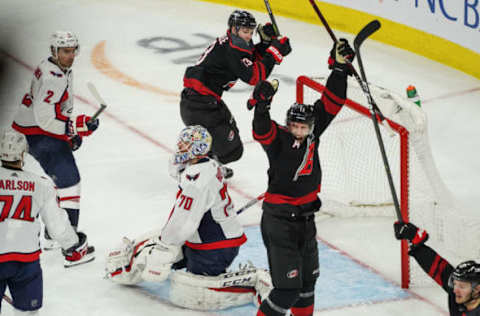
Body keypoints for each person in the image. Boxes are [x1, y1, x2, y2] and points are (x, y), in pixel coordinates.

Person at [105, 125, 271, 310]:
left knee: (188, 292)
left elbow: (185, 220)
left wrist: (165, 244)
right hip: (203, 240)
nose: (180, 148)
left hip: (215, 248)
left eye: (185, 145)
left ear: (197, 149)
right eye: (181, 143)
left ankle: (253, 281)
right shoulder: (203, 165)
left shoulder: (197, 180)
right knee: (148, 248)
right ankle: (126, 267)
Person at [249, 39, 355, 316]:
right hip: (279, 221)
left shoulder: (313, 133)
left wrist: (340, 69)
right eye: (294, 125)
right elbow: (261, 131)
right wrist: (262, 105)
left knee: (307, 285)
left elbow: (333, 101)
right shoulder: (279, 140)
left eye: (303, 126)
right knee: (287, 290)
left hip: (305, 221)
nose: (298, 130)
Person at [11, 31, 99, 251]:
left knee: (60, 182)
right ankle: (68, 242)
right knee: (69, 181)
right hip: (37, 134)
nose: (70, 55)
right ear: (54, 51)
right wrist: (77, 126)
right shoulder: (53, 78)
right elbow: (46, 120)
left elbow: (57, 110)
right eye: (65, 51)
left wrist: (70, 134)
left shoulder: (57, 68)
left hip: (31, 131)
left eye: (72, 51)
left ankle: (54, 232)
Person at [180, 9, 292, 177]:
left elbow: (249, 59)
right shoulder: (232, 49)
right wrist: (274, 52)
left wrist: (266, 43)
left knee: (223, 138)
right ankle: (196, 168)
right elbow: (255, 76)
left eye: (251, 32)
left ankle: (207, 166)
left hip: (200, 102)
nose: (249, 36)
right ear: (234, 29)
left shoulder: (233, 43)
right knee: (232, 151)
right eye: (245, 31)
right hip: (201, 106)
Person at [0, 130, 93, 315]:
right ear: (23, 154)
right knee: (27, 313)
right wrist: (73, 246)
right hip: (26, 262)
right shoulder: (40, 184)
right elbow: (57, 227)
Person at [394, 221, 480, 315]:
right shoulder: (459, 294)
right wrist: (414, 240)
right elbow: (439, 269)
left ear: (477, 289)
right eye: (455, 284)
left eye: (462, 286)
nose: (455, 290)